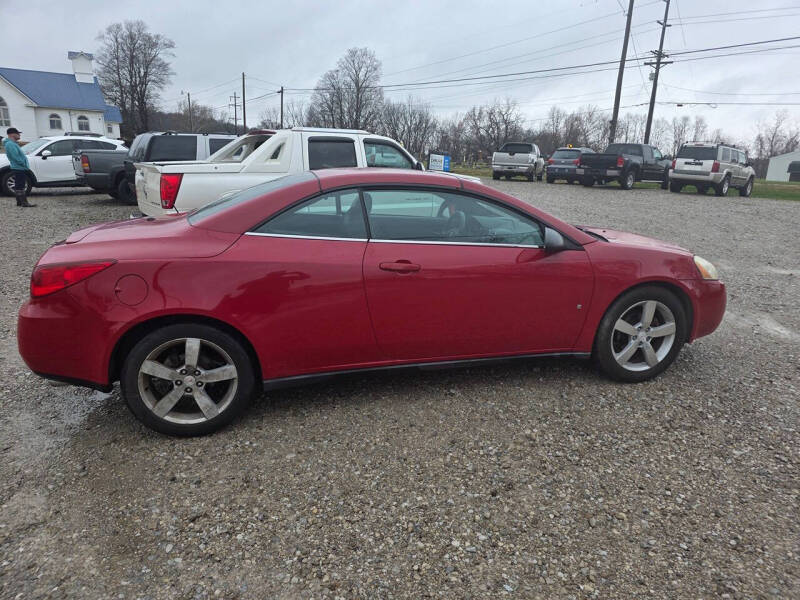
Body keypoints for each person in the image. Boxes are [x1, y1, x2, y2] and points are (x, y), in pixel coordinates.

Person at [4, 128, 36, 207]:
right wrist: (23, 163)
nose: (19, 135)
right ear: (12, 134)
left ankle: (19, 202)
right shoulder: (10, 144)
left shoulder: (12, 143)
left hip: (19, 167)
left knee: (19, 184)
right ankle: (24, 202)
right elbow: (15, 156)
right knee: (20, 185)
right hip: (18, 167)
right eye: (17, 133)